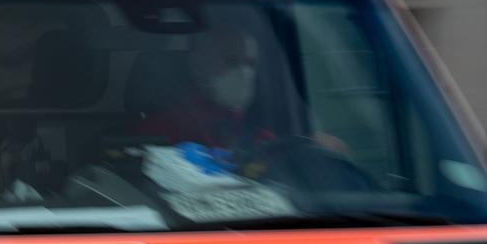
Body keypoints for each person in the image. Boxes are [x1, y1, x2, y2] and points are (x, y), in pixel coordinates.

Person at [137, 26, 351, 180]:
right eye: (232, 61)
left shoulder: (256, 132)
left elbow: (274, 164)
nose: (244, 73)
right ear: (199, 64)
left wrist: (312, 147)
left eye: (250, 64)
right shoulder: (159, 130)